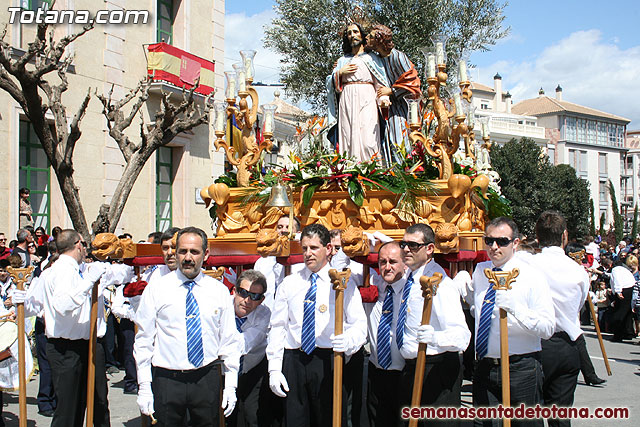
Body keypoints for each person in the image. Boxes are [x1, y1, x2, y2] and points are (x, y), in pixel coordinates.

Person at [134, 226, 241, 426]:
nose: (188, 258)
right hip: (167, 381)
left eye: (194, 252)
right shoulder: (157, 289)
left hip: (206, 380)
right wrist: (144, 386)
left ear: (206, 254)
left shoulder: (218, 291)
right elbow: (144, 341)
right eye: (183, 251)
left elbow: (229, 340)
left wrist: (230, 385)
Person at [266, 224, 367, 427]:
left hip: (328, 360)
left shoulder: (343, 282)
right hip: (295, 359)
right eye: (304, 248)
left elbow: (359, 325)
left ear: (328, 249)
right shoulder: (290, 284)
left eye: (314, 248)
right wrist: (274, 369)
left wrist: (348, 341)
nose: (308, 254)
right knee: (296, 421)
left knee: (329, 419)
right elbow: (277, 327)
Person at [467, 217, 555, 427]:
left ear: (515, 243)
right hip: (485, 366)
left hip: (520, 368)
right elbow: (477, 309)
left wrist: (517, 310)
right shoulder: (480, 272)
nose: (494, 247)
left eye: (502, 241)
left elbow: (548, 328)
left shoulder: (532, 276)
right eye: (489, 241)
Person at [35, 229, 110, 427]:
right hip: (65, 348)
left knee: (97, 403)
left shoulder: (77, 269)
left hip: (87, 343)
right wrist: (88, 282)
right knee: (69, 408)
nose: (85, 249)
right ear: (78, 244)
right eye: (84, 245)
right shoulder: (60, 270)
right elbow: (63, 306)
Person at [399, 224, 470, 426]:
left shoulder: (441, 284)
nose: (406, 249)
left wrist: (436, 338)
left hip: (435, 369)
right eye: (403, 244)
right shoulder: (409, 277)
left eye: (413, 245)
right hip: (411, 368)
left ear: (429, 249)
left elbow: (462, 336)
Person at [530, 211, 589, 427]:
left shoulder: (529, 265)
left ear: (537, 236)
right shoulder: (578, 271)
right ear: (565, 235)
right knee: (560, 415)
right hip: (566, 345)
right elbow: (579, 305)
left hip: (537, 345)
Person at [112, 227, 180, 395]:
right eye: (165, 248)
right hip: (160, 352)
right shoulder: (155, 276)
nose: (170, 253)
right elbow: (144, 319)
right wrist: (136, 300)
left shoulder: (199, 276)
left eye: (174, 247)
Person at [327, 22, 390, 163]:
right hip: (347, 101)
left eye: (355, 32)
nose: (352, 35)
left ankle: (372, 172)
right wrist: (339, 74)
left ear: (362, 34)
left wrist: (384, 99)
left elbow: (380, 83)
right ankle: (349, 171)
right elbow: (331, 85)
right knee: (348, 137)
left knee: (369, 141)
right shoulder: (342, 61)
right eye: (349, 33)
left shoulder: (373, 59)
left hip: (367, 99)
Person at [366, 24, 422, 165]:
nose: (367, 38)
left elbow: (413, 83)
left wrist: (392, 91)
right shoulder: (376, 58)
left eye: (371, 37)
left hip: (404, 108)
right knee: (388, 139)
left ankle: (407, 171)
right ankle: (393, 172)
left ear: (380, 41)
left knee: (400, 139)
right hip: (389, 108)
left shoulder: (398, 57)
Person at [365, 241, 407, 426]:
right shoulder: (372, 284)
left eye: (393, 261)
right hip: (377, 373)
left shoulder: (414, 289)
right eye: (382, 262)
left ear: (405, 263)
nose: (387, 267)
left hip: (404, 374)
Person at [228, 269, 275, 427]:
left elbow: (243, 344)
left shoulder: (264, 314)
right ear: (234, 291)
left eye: (254, 296)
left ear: (261, 300)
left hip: (252, 370)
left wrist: (223, 340)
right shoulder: (221, 308)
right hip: (223, 368)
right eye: (243, 293)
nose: (247, 300)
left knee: (252, 416)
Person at [254, 215, 302, 311]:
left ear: (297, 233)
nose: (283, 230)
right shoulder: (262, 261)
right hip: (266, 314)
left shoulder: (302, 262)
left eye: (288, 227)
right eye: (280, 227)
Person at [609, 255, 636, 342]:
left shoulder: (616, 270)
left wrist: (618, 291)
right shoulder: (625, 270)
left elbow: (617, 280)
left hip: (624, 290)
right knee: (627, 313)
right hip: (630, 288)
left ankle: (618, 335)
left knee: (619, 313)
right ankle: (628, 332)